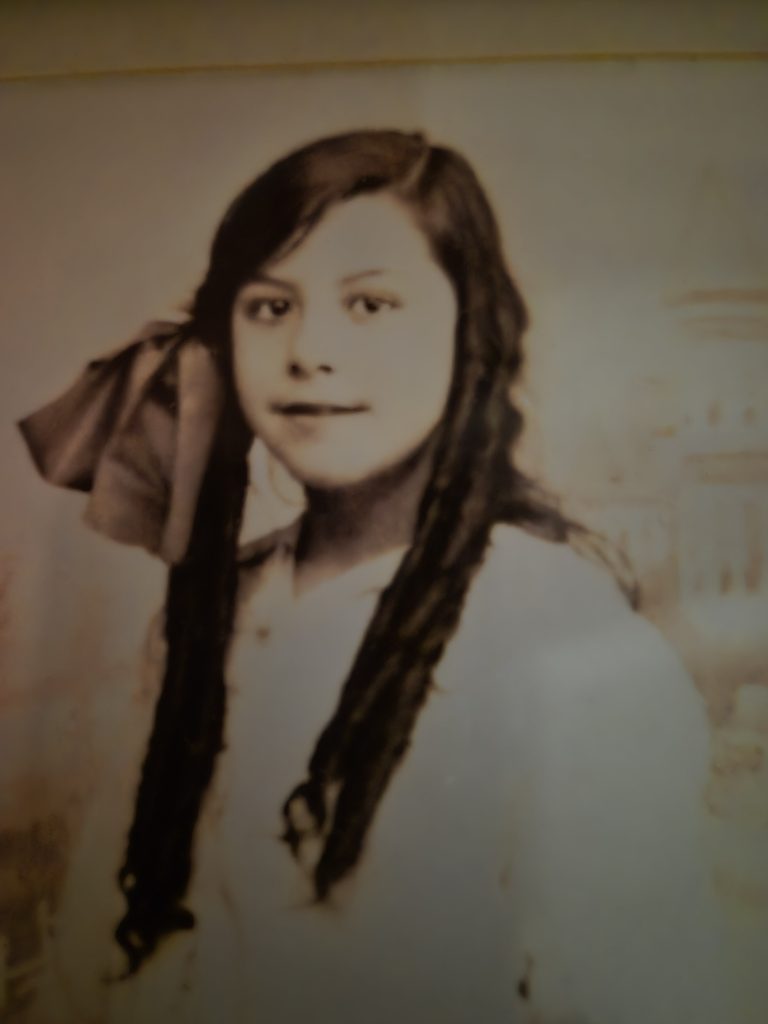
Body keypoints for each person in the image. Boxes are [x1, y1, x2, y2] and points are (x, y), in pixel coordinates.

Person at [20, 130, 731, 1023]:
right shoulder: (201, 622)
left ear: (469, 332)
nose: (311, 349)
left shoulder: (562, 638)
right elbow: (98, 949)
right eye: (270, 307)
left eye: (370, 305)